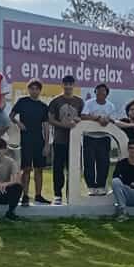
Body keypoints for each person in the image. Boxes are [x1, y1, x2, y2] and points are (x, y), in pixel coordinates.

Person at [9, 79, 51, 206]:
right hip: (25, 139)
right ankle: (25, 195)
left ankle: (38, 196)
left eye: (37, 89)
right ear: (29, 90)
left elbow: (46, 126)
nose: (34, 91)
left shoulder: (43, 106)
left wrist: (47, 144)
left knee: (39, 169)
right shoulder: (22, 102)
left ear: (40, 91)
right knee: (26, 169)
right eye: (32, 88)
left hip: (39, 140)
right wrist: (18, 123)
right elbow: (11, 116)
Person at [46, 75, 84, 204]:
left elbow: (83, 117)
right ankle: (57, 195)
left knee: (73, 169)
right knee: (58, 169)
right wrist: (64, 125)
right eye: (65, 84)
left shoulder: (79, 102)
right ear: (62, 85)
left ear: (74, 85)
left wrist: (78, 120)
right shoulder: (56, 101)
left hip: (75, 141)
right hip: (59, 141)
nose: (68, 86)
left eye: (70, 84)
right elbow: (50, 119)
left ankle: (71, 196)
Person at [81, 83, 119, 196]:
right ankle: (91, 187)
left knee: (104, 163)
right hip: (89, 137)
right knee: (89, 162)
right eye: (98, 91)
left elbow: (113, 120)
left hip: (104, 138)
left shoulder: (110, 106)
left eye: (103, 91)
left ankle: (101, 186)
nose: (101, 93)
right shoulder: (89, 103)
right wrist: (97, 118)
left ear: (107, 94)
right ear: (95, 92)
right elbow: (83, 115)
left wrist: (107, 119)